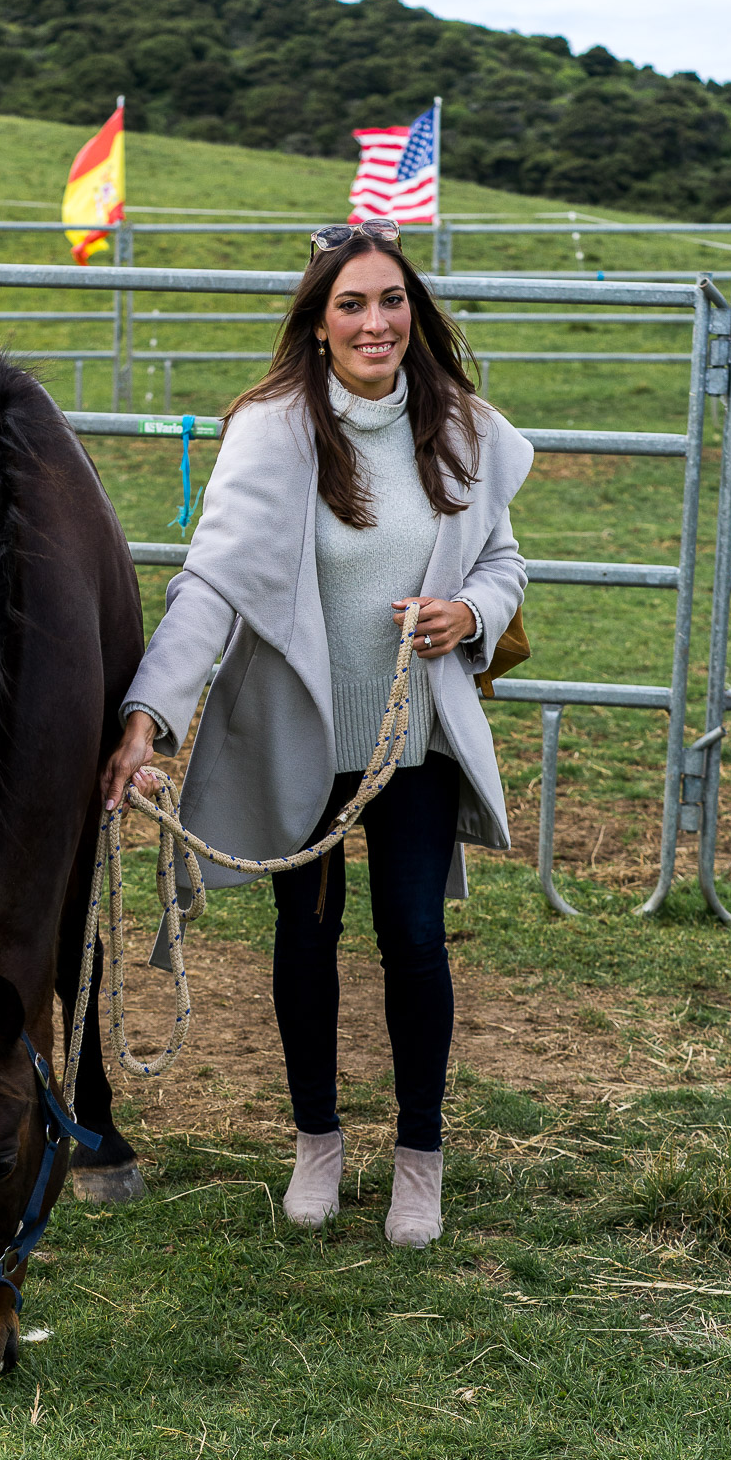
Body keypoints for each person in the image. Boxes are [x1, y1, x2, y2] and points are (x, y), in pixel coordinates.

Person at [101, 220, 532, 1246]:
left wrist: (468, 614)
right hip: (306, 736)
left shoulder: (460, 426)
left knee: (417, 940)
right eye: (352, 304)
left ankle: (418, 1157)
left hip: (413, 739)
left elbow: (503, 564)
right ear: (320, 322)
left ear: (413, 313)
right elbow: (211, 585)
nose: (375, 321)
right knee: (307, 936)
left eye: (391, 300)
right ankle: (317, 1143)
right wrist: (146, 713)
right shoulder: (276, 430)